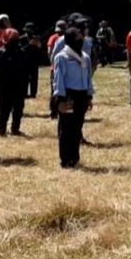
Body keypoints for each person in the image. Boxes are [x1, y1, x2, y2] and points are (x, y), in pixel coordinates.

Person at [52, 28, 95, 168]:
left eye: (81, 37)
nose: (80, 40)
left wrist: (89, 96)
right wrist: (60, 99)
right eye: (76, 38)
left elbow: (88, 78)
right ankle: (65, 159)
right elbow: (58, 79)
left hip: (82, 95)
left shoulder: (85, 57)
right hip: (68, 95)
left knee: (77, 128)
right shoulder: (62, 57)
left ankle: (74, 158)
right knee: (66, 129)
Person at [0, 28, 30, 137]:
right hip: (4, 86)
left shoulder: (21, 53)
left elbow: (26, 70)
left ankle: (15, 129)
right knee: (4, 109)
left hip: (18, 86)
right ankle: (1, 129)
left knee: (18, 109)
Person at [20, 23, 43, 99]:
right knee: (24, 78)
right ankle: (24, 93)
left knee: (34, 78)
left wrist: (38, 45)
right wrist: (29, 45)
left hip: (34, 61)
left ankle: (33, 93)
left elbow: (40, 50)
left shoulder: (36, 38)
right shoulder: (22, 38)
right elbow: (21, 50)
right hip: (25, 60)